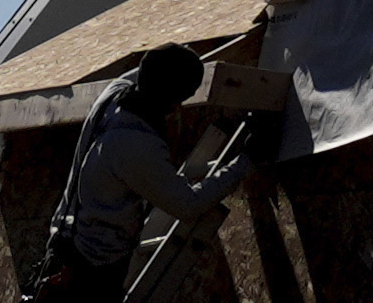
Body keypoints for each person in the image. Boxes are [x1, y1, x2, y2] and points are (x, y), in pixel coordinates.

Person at [34, 44, 246, 303]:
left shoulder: (113, 94)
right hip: (91, 274)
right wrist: (247, 160)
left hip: (62, 250)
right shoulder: (134, 143)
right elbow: (188, 204)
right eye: (178, 100)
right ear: (167, 97)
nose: (179, 108)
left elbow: (155, 67)